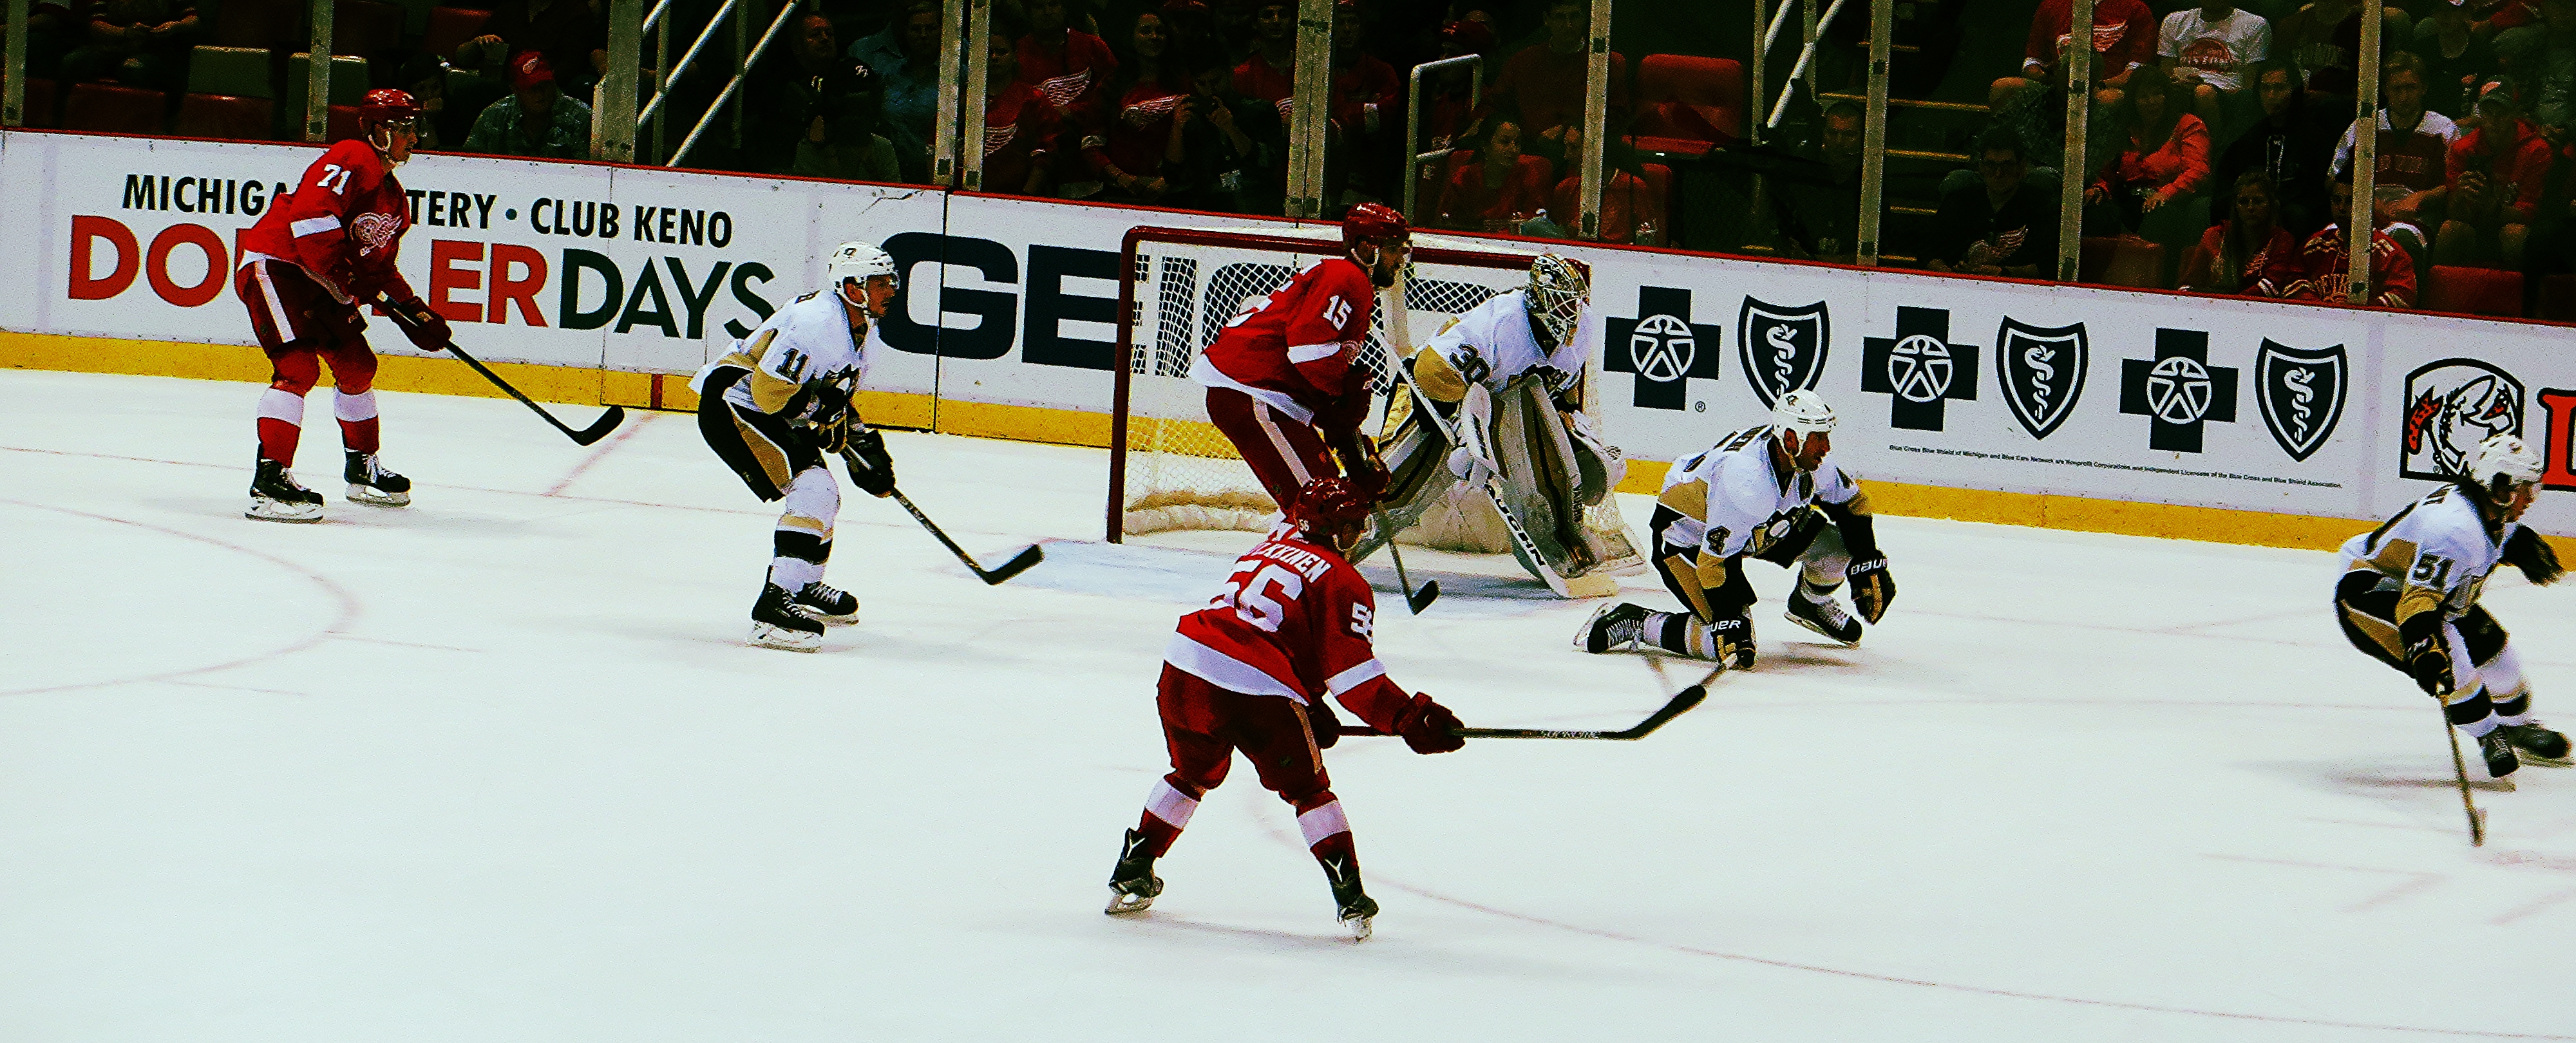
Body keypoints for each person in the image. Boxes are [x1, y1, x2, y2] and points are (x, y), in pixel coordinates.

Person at [1103, 476, 1466, 939]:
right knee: (1309, 791)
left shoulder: (1271, 543)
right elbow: (1355, 679)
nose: (1359, 534)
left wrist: (1309, 701)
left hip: (1185, 665)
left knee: (1190, 774)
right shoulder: (1343, 580)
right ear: (1342, 531)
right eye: (1356, 525)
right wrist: (1411, 718)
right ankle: (1351, 897)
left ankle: (1134, 866)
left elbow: (1282, 628)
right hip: (1256, 685)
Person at [1354, 254, 1640, 587]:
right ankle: (1333, 534)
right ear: (1537, 299)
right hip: (1431, 399)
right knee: (1399, 490)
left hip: (1494, 405)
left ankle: (1556, 536)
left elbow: (1562, 388)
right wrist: (1466, 437)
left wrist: (1570, 425)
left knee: (1573, 463)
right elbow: (1431, 375)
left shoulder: (1583, 324)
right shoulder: (1501, 324)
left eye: (1574, 306)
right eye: (1561, 306)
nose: (1571, 316)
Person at [232, 90, 448, 523]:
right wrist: (344, 276)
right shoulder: (352, 155)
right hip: (280, 263)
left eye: (413, 127)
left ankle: (362, 469)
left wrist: (414, 310)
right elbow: (311, 222)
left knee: (357, 367)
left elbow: (378, 272)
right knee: (298, 368)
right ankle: (270, 480)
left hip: (323, 277)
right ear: (377, 131)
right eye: (402, 126)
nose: (412, 136)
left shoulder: (394, 201)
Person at [688, 242, 901, 652]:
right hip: (735, 402)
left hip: (772, 405)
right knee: (814, 489)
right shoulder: (816, 322)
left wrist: (860, 440)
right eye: (880, 282)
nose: (890, 289)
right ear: (853, 287)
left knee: (826, 494)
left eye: (891, 280)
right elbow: (770, 393)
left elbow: (833, 395)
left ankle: (803, 585)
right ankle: (772, 607)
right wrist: (822, 416)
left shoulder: (862, 328)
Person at [1576, 391, 1895, 662]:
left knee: (1842, 550)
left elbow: (1853, 505)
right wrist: (1728, 619)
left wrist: (1868, 560)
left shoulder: (1806, 462)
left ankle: (1810, 604)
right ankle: (1637, 621)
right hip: (1689, 538)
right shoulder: (1747, 483)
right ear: (1789, 438)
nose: (1825, 447)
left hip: (1752, 527)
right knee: (1726, 643)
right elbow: (1713, 564)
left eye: (1826, 436)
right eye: (1817, 438)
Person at [2334, 434, 2568, 781]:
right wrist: (2421, 644)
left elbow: (2478, 545)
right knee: (2449, 652)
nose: (2530, 499)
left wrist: (2514, 541)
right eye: (2525, 490)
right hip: (2371, 591)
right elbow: (2417, 601)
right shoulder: (2453, 529)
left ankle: (2518, 727)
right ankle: (2490, 736)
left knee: (2495, 651)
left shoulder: (2487, 507)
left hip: (2423, 589)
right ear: (2500, 487)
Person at [1191, 204, 1408, 515]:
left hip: (1263, 395)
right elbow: (1307, 352)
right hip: (1254, 391)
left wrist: (1351, 446)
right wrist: (1341, 397)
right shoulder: (1346, 276)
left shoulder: (1347, 280)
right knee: (1322, 508)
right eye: (1395, 249)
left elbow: (1312, 364)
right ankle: (1280, 565)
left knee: (1326, 499)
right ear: (1367, 248)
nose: (1401, 260)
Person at [2330, 51, 2461, 265]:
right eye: (2397, 89)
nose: (2404, 96)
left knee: (2400, 241)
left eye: (2411, 88)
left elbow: (2454, 184)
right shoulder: (2365, 126)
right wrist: (2369, 201)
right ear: (2385, 91)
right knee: (2325, 240)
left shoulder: (2443, 129)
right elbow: (2333, 179)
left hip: (2416, 221)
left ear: (2424, 88)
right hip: (2366, 214)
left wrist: (2422, 197)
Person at [2085, 63, 2214, 277]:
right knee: (2095, 210)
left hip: (2170, 202)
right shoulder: (2126, 128)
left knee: (2161, 214)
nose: (2151, 102)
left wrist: (2166, 193)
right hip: (2128, 200)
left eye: (2157, 94)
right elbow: (2109, 170)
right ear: (2134, 101)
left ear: (2167, 96)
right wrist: (2100, 188)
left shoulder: (2188, 124)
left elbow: (2199, 170)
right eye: (2144, 96)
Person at [1482, 0, 1627, 169]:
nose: (1568, 25)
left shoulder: (1605, 64)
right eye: (1560, 18)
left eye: (1574, 17)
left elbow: (1617, 114)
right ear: (1547, 20)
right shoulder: (1523, 61)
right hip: (1525, 147)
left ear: (1585, 19)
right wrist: (1481, 120)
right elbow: (1495, 102)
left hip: (1580, 150)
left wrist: (1573, 128)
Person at [2212, 59, 2340, 236]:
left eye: (2279, 88)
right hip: (2248, 204)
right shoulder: (2244, 133)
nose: (2272, 96)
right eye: (2266, 89)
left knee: (2298, 214)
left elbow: (2319, 191)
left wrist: (2277, 204)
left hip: (2292, 212)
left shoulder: (2314, 136)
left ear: (2294, 91)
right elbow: (2225, 178)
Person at [2437, 77, 2552, 267]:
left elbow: (2529, 214)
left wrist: (2490, 206)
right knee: (2450, 230)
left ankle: (2520, 295)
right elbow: (2454, 213)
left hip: (2513, 228)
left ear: (2514, 113)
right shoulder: (2464, 148)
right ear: (2480, 113)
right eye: (2488, 112)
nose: (2494, 120)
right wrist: (2459, 195)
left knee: (2514, 235)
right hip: (2474, 227)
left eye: (2502, 112)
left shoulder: (2536, 150)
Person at [1079, 8, 1192, 203]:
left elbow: (1200, 141)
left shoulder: (1185, 83)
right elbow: (1091, 142)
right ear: (1131, 37)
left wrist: (1171, 179)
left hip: (1176, 194)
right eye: (1146, 31)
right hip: (1121, 193)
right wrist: (1120, 177)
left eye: (1160, 31)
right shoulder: (1112, 84)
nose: (1154, 37)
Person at [1928, 125, 2061, 278]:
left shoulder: (2042, 206)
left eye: (2007, 165)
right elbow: (1928, 252)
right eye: (1991, 165)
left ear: (2022, 166)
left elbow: (2050, 265)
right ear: (1981, 166)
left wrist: (2004, 274)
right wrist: (1949, 276)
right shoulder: (1958, 201)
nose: (1999, 173)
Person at [1171, 51, 1284, 213]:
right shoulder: (1191, 117)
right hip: (1210, 209)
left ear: (1229, 74)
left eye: (1216, 81)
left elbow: (1269, 163)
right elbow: (1173, 175)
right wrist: (1176, 129)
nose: (1210, 90)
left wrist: (1232, 130)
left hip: (1258, 203)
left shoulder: (1259, 110)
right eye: (1202, 84)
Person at [1992, 0, 2157, 111]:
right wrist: (2047, 77)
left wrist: (2099, 85)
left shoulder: (2135, 8)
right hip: (2055, 87)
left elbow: (2136, 72)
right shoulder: (2051, 6)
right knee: (2003, 88)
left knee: (2111, 100)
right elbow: (2031, 62)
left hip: (2104, 89)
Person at [2287, 167, 2419, 305]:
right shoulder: (2315, 246)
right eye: (2337, 200)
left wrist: (2358, 313)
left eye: (2350, 201)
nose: (2342, 208)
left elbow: (2404, 296)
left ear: (2366, 203)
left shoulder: (2388, 253)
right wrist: (2320, 308)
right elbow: (2292, 282)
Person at [2179, 171, 2304, 294]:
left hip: (2259, 309)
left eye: (2258, 201)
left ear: (2271, 205)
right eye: (2243, 202)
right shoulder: (2214, 236)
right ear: (2235, 206)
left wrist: (2236, 303)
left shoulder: (2282, 240)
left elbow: (2273, 285)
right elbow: (2188, 284)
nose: (2250, 208)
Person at [2161, 1, 2273, 139]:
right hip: (2180, 89)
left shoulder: (2255, 24)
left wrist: (2206, 88)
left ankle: (2216, 153)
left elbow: (2251, 85)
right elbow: (2165, 73)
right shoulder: (2174, 21)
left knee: (2204, 93)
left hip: (2228, 95)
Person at [1775, 100, 1868, 263]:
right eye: (1833, 133)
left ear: (1863, 136)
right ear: (1823, 133)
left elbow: (1880, 247)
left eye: (1849, 135)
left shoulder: (1872, 180)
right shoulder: (1803, 173)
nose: (1839, 142)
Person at [982, 29, 1068, 196]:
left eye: (1002, 52)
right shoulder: (963, 99)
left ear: (1015, 55)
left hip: (1018, 196)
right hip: (966, 196)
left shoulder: (1032, 99)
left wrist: (1026, 196)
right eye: (988, 52)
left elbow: (1047, 152)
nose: (994, 57)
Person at [460, 51, 593, 159]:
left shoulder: (580, 117)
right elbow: (468, 164)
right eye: (532, 88)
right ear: (516, 90)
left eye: (544, 85)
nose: (540, 93)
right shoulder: (494, 116)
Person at [471, 0, 606, 100]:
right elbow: (463, 55)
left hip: (548, 88)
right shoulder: (512, 6)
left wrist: (537, 85)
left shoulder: (575, 11)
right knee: (470, 89)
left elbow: (570, 65)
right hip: (511, 84)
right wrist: (480, 43)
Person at [1435, 115, 1552, 232]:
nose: (1513, 149)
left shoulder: (1529, 174)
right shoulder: (1465, 177)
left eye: (1517, 143)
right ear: (1485, 145)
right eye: (1505, 142)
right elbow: (1448, 223)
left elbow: (1537, 223)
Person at [791, 61, 903, 182]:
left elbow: (893, 197)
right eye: (850, 106)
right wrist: (828, 153)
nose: (857, 116)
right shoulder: (811, 149)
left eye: (865, 105)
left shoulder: (882, 147)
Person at [1018, 0, 1120, 126]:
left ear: (1064, 8)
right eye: (1039, 7)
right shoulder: (1017, 53)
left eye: (1053, 4)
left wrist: (1073, 112)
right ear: (1029, 12)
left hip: (1090, 132)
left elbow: (1115, 93)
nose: (1047, 12)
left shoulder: (1092, 46)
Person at [59, 0, 196, 90]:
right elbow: (96, 24)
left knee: (134, 70)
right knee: (74, 62)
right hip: (107, 48)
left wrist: (177, 26)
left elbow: (193, 20)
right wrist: (125, 33)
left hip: (154, 51)